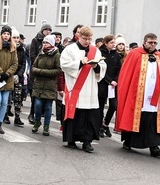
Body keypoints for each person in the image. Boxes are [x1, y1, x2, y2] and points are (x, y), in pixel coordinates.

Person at [115, 33, 160, 157]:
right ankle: (128, 141)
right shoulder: (135, 54)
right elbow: (127, 75)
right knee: (135, 118)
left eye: (155, 43)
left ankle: (154, 147)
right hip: (137, 95)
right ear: (144, 42)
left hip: (155, 96)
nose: (152, 45)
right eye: (150, 42)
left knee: (152, 121)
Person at [60, 25, 106, 153]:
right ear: (79, 36)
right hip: (75, 87)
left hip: (90, 88)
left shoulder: (95, 50)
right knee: (74, 114)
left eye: (90, 39)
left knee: (90, 116)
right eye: (85, 38)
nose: (87, 41)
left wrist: (96, 66)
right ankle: (71, 139)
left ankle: (87, 142)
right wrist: (80, 63)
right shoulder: (70, 49)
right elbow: (64, 65)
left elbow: (103, 66)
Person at [30, 34, 61, 135]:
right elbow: (33, 67)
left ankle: (46, 126)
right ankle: (37, 121)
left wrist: (43, 72)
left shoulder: (56, 55)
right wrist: (39, 71)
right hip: (39, 84)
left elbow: (58, 70)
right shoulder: (40, 54)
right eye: (44, 42)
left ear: (51, 43)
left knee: (48, 107)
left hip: (50, 85)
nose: (45, 44)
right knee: (38, 105)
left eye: (47, 42)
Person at [97, 34, 121, 137]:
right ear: (106, 43)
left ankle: (105, 124)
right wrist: (110, 80)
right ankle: (99, 127)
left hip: (113, 85)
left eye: (114, 42)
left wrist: (115, 80)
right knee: (100, 106)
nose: (113, 45)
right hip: (103, 82)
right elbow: (101, 69)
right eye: (111, 43)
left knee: (113, 105)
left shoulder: (116, 55)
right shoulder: (101, 53)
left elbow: (118, 69)